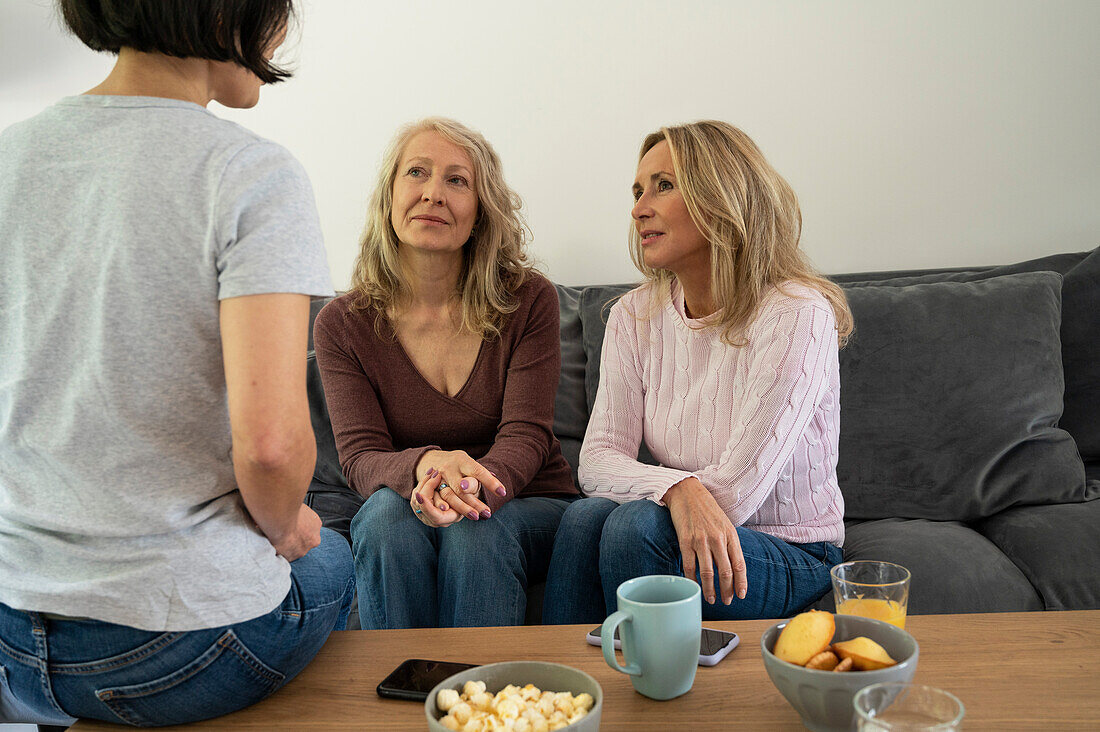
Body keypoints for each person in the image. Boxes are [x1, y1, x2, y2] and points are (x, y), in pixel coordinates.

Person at [0, 1, 354, 726]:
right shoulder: (253, 174)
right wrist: (287, 528)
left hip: (13, 634)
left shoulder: (11, 157)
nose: (282, 31)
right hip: (174, 648)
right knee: (332, 561)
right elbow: (272, 447)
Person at [543, 120, 853, 624]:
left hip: (792, 553)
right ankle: (558, 694)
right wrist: (675, 488)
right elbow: (595, 462)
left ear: (720, 197)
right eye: (638, 190)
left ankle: (650, 689)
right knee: (584, 518)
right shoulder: (633, 316)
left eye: (664, 186)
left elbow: (734, 494)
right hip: (688, 525)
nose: (639, 208)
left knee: (634, 528)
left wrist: (671, 492)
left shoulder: (797, 313)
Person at [313, 118, 579, 629]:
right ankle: (403, 697)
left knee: (474, 526)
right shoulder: (342, 325)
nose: (433, 193)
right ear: (389, 197)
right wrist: (430, 466)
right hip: (409, 506)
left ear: (481, 211)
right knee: (382, 518)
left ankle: (483, 703)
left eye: (457, 180)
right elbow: (362, 458)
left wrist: (469, 490)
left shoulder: (528, 301)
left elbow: (526, 435)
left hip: (529, 504)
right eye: (417, 172)